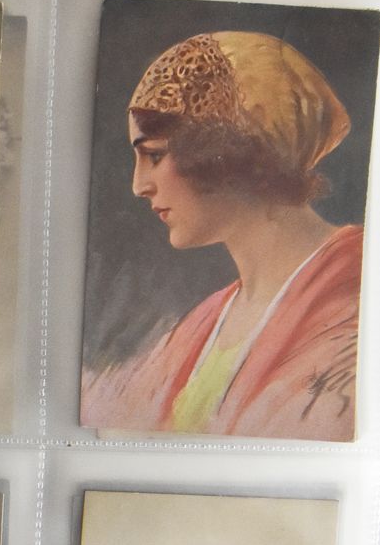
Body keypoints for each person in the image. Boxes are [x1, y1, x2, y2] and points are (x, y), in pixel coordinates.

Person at [81, 32, 363, 441]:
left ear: (229, 151)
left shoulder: (356, 297)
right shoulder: (205, 321)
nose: (139, 185)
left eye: (154, 155)